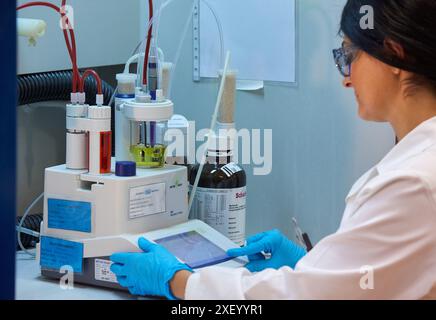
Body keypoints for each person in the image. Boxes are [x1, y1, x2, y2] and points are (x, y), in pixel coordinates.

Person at [110, 0, 436, 299]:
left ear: (395, 56)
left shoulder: (413, 183)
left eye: (349, 56)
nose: (346, 79)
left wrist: (178, 283)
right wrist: (311, 264)